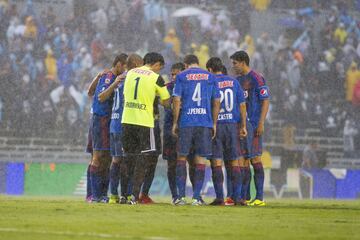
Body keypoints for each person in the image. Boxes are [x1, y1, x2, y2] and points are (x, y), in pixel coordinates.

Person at [121, 52, 170, 204]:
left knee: (128, 158)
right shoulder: (156, 78)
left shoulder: (130, 73)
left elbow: (126, 94)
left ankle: (124, 195)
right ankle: (135, 196)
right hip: (144, 122)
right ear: (156, 64)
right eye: (159, 68)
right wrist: (155, 96)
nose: (158, 71)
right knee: (144, 159)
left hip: (127, 120)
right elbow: (167, 102)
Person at [172, 54, 221, 206]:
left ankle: (180, 197)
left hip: (186, 122)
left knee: (181, 158)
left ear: (186, 65)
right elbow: (216, 101)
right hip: (204, 123)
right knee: (200, 159)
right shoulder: (210, 77)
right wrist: (214, 123)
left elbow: (176, 99)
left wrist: (175, 122)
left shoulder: (181, 76)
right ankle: (196, 198)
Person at [206, 58, 247, 206]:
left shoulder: (209, 82)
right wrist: (243, 125)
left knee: (216, 162)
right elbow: (242, 105)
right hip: (232, 126)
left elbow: (209, 103)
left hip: (216, 125)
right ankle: (237, 197)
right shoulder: (234, 82)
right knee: (233, 162)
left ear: (210, 69)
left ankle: (219, 198)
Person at [231, 50, 270, 207]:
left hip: (254, 124)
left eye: (234, 63)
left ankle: (259, 197)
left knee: (255, 159)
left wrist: (261, 122)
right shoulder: (237, 80)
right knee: (244, 161)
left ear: (242, 62)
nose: (233, 66)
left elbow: (265, 100)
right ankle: (245, 197)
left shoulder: (256, 78)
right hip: (242, 126)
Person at [89, 54, 128, 203]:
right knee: (98, 157)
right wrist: (114, 83)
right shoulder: (110, 77)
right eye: (124, 67)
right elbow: (101, 97)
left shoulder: (105, 75)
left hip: (107, 120)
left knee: (106, 159)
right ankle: (95, 195)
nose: (125, 71)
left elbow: (89, 92)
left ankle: (101, 195)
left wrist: (96, 77)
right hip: (101, 120)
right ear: (118, 64)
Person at [163, 62, 185, 204]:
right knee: (171, 164)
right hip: (169, 128)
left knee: (185, 162)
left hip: (186, 128)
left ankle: (190, 195)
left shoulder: (188, 87)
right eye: (172, 74)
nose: (173, 76)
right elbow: (163, 102)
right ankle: (175, 196)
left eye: (176, 73)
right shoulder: (166, 88)